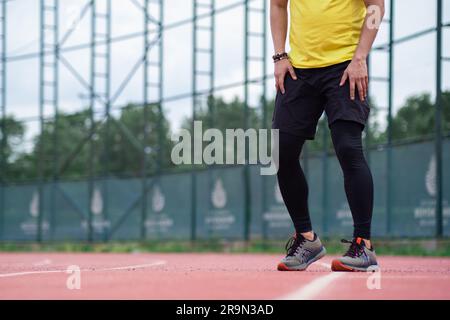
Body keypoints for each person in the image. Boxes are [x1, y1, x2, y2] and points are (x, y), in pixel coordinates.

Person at [270, 0, 384, 272]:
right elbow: (277, 5)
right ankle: (307, 239)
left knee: (348, 147)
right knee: (280, 151)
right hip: (299, 69)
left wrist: (360, 57)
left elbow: (376, 6)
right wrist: (279, 56)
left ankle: (363, 244)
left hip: (345, 66)